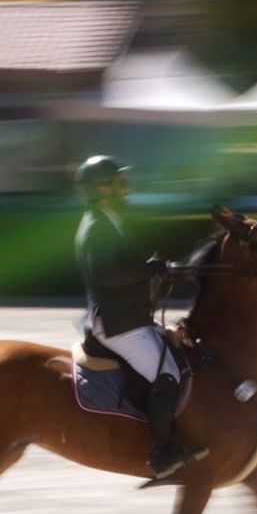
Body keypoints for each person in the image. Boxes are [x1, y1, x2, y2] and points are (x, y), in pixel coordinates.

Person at [72, 155, 209, 479]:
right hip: (120, 325)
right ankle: (162, 455)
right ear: (102, 189)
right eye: (118, 182)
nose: (125, 187)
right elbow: (106, 274)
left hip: (130, 318)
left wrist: (158, 270)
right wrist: (148, 269)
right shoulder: (96, 227)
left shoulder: (108, 219)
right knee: (167, 376)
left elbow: (122, 268)